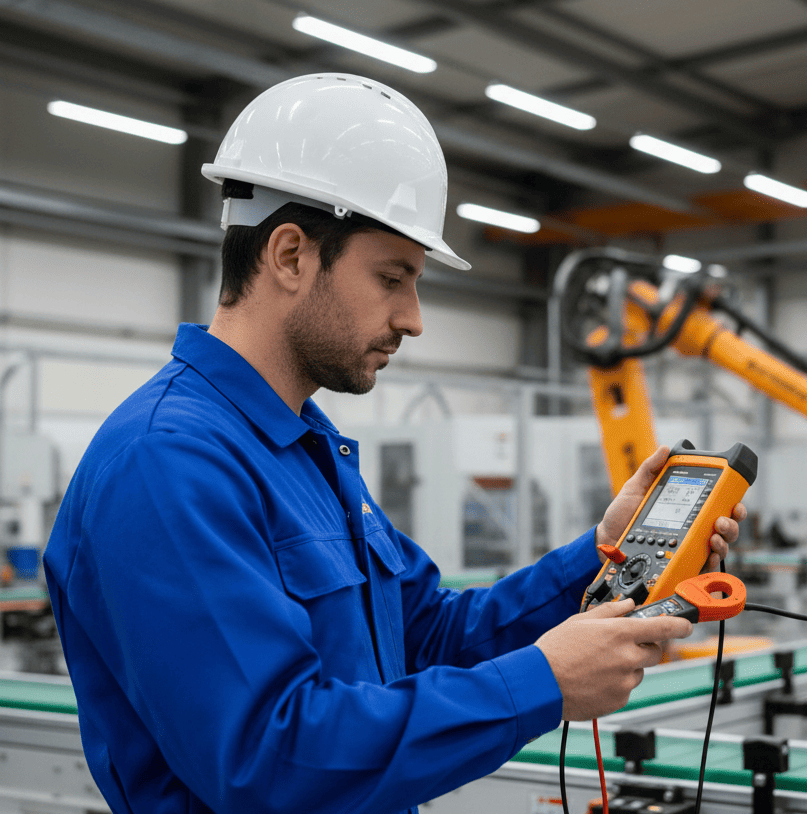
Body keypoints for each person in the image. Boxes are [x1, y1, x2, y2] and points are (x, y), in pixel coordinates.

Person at [44, 74, 744, 814]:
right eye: (392, 278)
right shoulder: (167, 464)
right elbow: (268, 757)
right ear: (289, 255)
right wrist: (543, 682)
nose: (413, 318)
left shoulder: (306, 451)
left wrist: (600, 554)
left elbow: (430, 634)